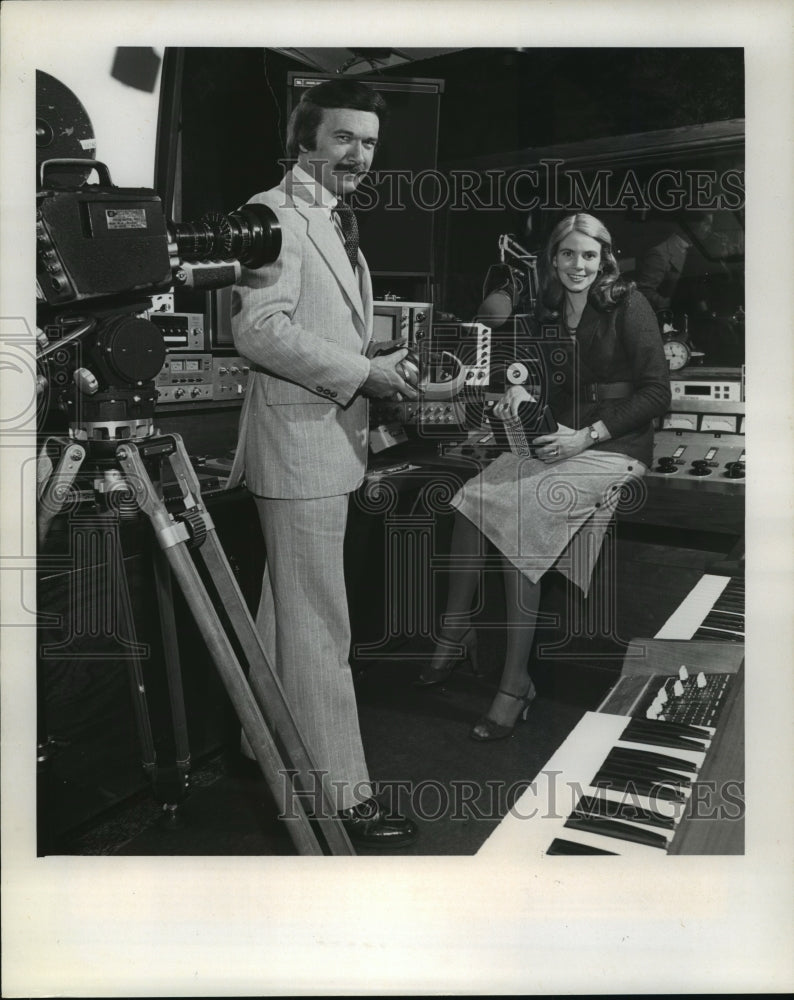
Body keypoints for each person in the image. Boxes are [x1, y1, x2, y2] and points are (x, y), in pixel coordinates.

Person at [229, 80, 419, 846]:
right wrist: (363, 374)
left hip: (322, 444)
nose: (360, 156)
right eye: (345, 139)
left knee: (288, 609)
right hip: (300, 447)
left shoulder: (332, 219)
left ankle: (262, 747)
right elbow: (260, 331)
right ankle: (343, 795)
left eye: (369, 142)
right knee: (319, 625)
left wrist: (381, 364)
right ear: (305, 142)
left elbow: (319, 332)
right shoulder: (272, 214)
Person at [415, 213, 671, 741]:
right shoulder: (549, 313)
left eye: (589, 255)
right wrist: (523, 395)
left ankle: (515, 682)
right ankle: (454, 632)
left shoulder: (630, 304)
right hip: (562, 437)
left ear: (605, 259)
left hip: (613, 446)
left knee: (521, 512)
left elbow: (655, 393)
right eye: (568, 254)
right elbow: (546, 384)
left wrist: (587, 436)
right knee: (473, 495)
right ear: (553, 259)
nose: (578, 265)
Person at [635, 211, 714, 313]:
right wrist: (672, 305)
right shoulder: (659, 253)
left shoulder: (697, 252)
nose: (710, 230)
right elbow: (644, 291)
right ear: (691, 223)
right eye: (706, 223)